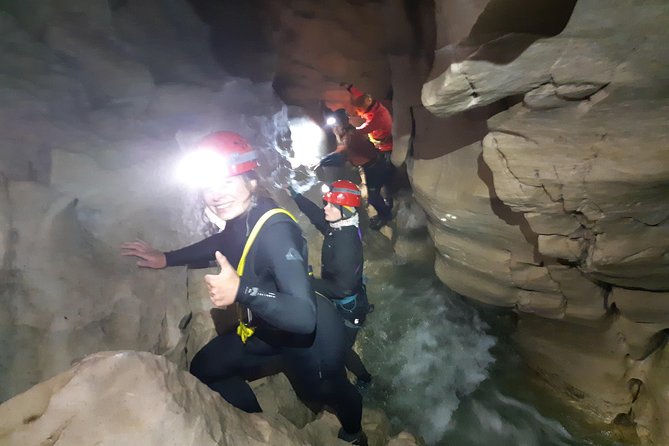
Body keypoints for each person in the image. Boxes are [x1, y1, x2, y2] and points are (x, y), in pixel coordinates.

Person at [121, 131, 367, 445]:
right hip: (265, 327)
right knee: (205, 367)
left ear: (251, 181)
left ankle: (355, 434)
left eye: (227, 182)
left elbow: (304, 317)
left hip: (308, 339)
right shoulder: (244, 213)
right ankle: (257, 426)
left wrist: (242, 291)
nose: (216, 195)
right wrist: (166, 258)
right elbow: (222, 241)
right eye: (208, 186)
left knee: (326, 391)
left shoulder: (277, 230)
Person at [288, 179, 373, 389]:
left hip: (349, 307)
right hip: (343, 297)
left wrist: (309, 283)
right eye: (327, 203)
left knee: (341, 349)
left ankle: (365, 379)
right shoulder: (341, 225)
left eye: (331, 205)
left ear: (344, 210)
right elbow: (318, 217)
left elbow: (344, 288)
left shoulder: (346, 244)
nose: (326, 208)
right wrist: (296, 195)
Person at [344, 85, 395, 230]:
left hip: (385, 148)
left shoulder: (379, 117)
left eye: (359, 111)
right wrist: (350, 88)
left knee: (385, 178)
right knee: (379, 178)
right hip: (375, 150)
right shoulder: (371, 104)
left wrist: (351, 129)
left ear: (365, 106)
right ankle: (384, 193)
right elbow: (360, 96)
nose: (358, 114)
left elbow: (363, 130)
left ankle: (387, 204)